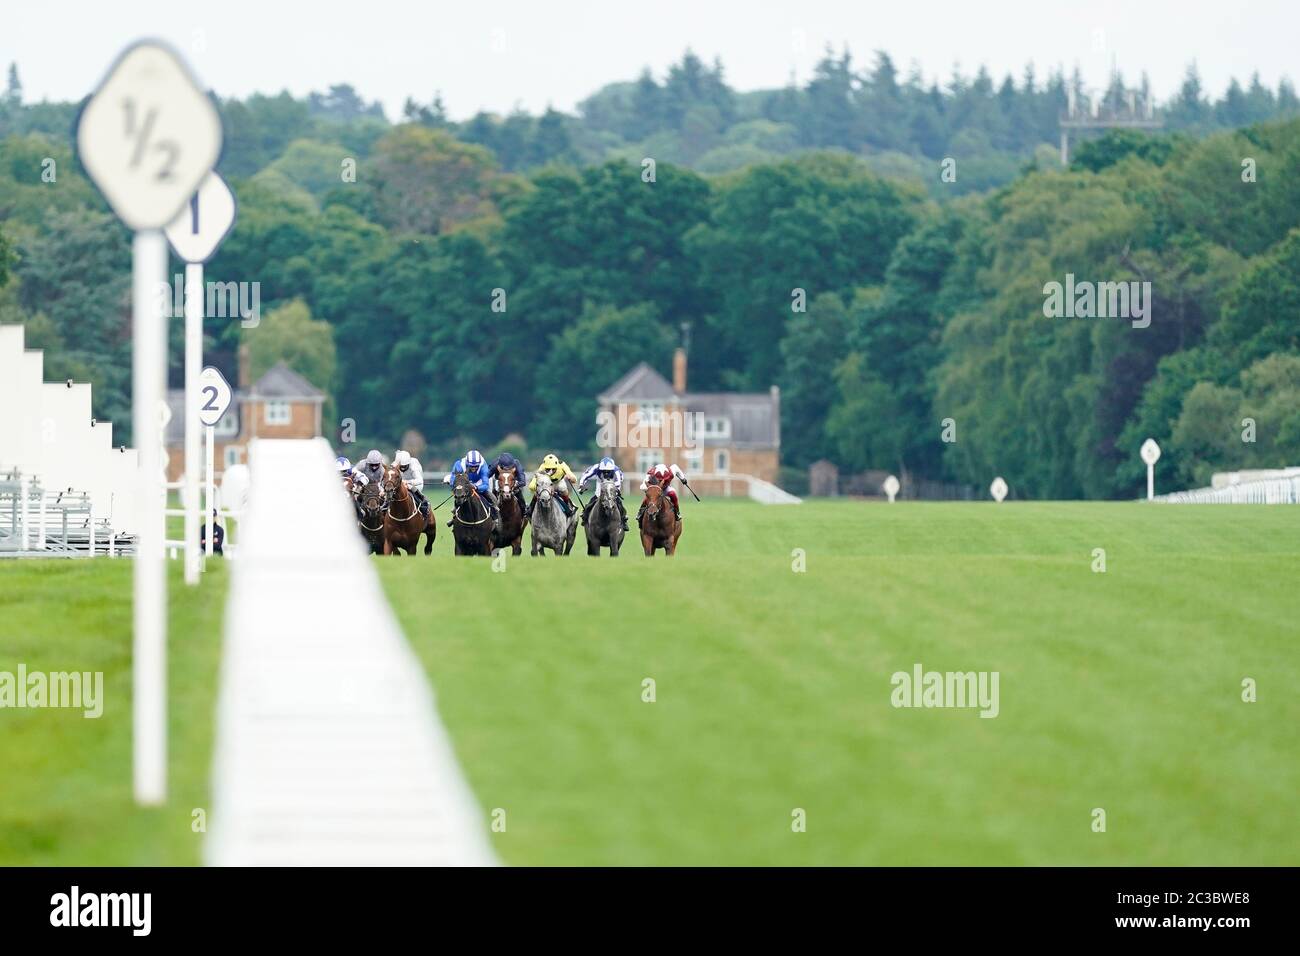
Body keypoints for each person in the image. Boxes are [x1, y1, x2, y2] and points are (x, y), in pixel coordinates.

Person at [443, 449, 496, 526]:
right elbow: (453, 479)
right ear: (467, 463)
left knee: (491, 498)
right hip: (465, 483)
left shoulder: (483, 466)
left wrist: (476, 487)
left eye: (476, 466)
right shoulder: (459, 464)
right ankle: (455, 516)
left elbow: (485, 484)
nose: (474, 468)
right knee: (458, 496)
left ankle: (495, 518)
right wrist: (453, 483)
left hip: (480, 482)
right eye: (471, 466)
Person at [578, 456, 628, 531]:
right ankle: (585, 516)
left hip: (612, 484)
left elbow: (618, 482)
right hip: (600, 484)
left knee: (619, 503)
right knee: (591, 502)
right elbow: (585, 476)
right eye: (604, 471)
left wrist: (615, 490)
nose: (606, 472)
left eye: (608, 471)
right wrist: (581, 485)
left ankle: (624, 520)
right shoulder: (596, 468)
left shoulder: (616, 471)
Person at [527, 453, 579, 519]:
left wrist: (571, 477)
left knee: (563, 489)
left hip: (558, 482)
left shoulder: (562, 465)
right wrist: (534, 486)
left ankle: (568, 507)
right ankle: (530, 510)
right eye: (548, 469)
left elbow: (573, 478)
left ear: (557, 465)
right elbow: (532, 484)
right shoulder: (542, 467)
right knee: (537, 493)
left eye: (553, 469)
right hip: (547, 483)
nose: (551, 471)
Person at [393, 449, 429, 522]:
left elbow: (419, 480)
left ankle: (424, 507)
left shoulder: (414, 467)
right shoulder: (395, 464)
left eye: (404, 466)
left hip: (415, 485)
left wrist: (407, 482)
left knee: (410, 488)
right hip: (400, 484)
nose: (402, 468)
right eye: (401, 466)